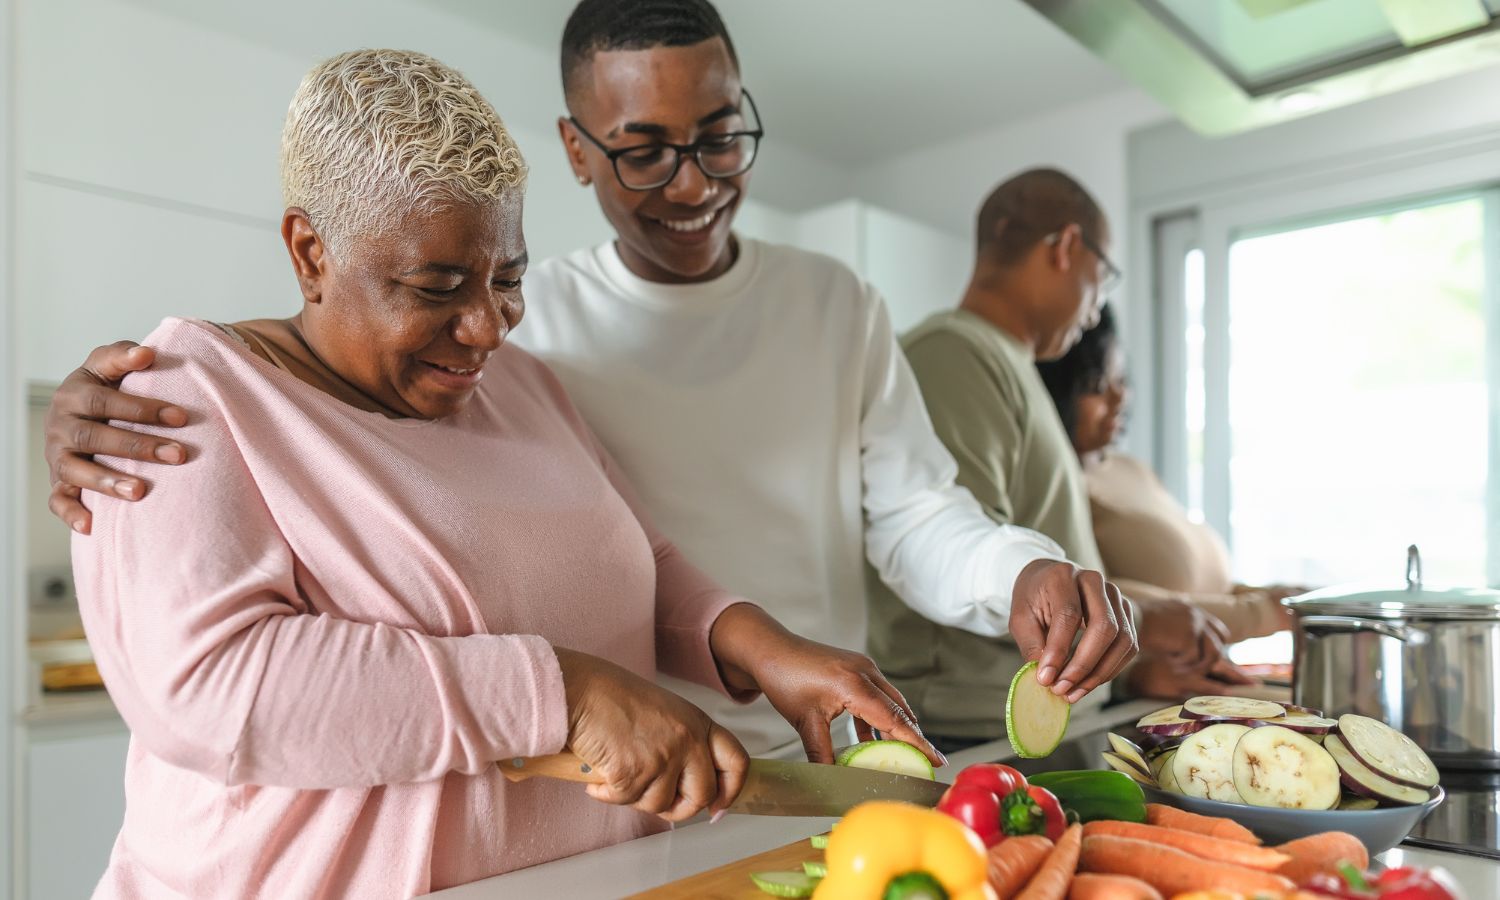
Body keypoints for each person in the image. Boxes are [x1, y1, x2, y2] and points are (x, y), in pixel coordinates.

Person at [42, 0, 1176, 758]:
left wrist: (1024, 568)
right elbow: (243, 621)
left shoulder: (824, 307)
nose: (690, 182)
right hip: (611, 777)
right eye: (642, 149)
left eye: (719, 136)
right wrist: (138, 392)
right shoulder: (520, 348)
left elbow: (909, 515)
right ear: (577, 148)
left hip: (812, 750)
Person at [70, 49, 943, 897]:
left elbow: (637, 557)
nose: (489, 327)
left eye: (509, 277)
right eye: (437, 285)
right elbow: (212, 689)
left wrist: (760, 645)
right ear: (310, 252)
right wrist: (567, 693)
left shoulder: (520, 384)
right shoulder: (171, 401)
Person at [869, 169, 1251, 750]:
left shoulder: (1006, 364)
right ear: (1068, 248)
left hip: (1042, 723)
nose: (1097, 311)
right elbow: (952, 553)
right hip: (974, 734)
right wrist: (1146, 626)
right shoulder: (951, 354)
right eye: (1104, 278)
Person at [1036, 305, 1299, 641]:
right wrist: (1262, 613)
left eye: (1121, 380)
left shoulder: (1130, 470)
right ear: (1057, 392)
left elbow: (1200, 584)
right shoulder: (1058, 485)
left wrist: (1279, 597)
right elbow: (1099, 598)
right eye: (1097, 385)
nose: (1119, 398)